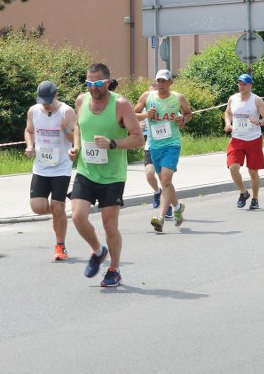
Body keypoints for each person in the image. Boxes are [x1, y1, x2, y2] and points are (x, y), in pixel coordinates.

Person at [69, 63, 143, 287]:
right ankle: (98, 251)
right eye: (89, 83)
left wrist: (112, 143)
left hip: (112, 176)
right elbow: (79, 128)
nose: (93, 87)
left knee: (110, 226)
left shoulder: (120, 105)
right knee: (78, 217)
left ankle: (115, 269)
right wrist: (76, 147)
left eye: (98, 83)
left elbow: (138, 138)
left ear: (108, 82)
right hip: (86, 171)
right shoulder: (81, 101)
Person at [134, 69, 192, 233]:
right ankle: (178, 207)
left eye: (164, 81)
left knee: (165, 180)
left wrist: (183, 119)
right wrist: (146, 115)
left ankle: (160, 217)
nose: (160, 84)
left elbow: (188, 114)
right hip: (154, 146)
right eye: (158, 81)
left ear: (170, 83)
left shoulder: (177, 98)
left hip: (172, 144)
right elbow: (133, 113)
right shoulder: (147, 97)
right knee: (165, 183)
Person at [24, 81, 77, 261]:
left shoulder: (66, 112)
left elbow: (75, 137)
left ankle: (60, 246)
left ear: (56, 95)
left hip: (61, 167)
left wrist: (65, 130)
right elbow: (29, 131)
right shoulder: (33, 111)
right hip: (41, 166)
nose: (45, 104)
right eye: (42, 100)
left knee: (58, 206)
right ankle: (58, 215)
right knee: (37, 207)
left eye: (48, 100)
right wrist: (30, 146)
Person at [223, 74, 264, 209]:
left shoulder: (256, 100)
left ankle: (255, 199)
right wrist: (228, 123)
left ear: (250, 85)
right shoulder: (232, 99)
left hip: (253, 139)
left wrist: (259, 122)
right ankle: (244, 193)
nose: (241, 86)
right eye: (239, 83)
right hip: (236, 138)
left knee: (253, 172)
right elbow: (227, 113)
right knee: (233, 168)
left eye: (244, 84)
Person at [137, 83, 167, 216]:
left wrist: (180, 120)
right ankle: (157, 192)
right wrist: (143, 119)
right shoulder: (146, 107)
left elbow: (180, 120)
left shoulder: (168, 104)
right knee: (149, 174)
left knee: (165, 179)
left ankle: (168, 207)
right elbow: (133, 115)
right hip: (151, 145)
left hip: (167, 146)